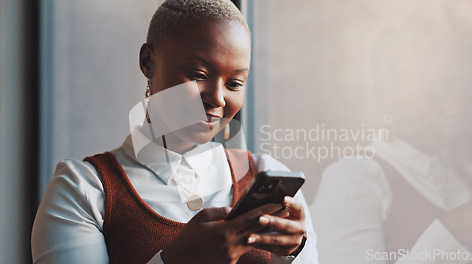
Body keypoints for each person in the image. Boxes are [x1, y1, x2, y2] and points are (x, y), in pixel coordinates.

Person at [31, 1, 318, 263]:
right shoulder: (84, 192)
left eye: (234, 84)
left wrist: (294, 253)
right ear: (148, 62)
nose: (218, 98)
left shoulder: (267, 178)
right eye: (198, 75)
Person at [311, 17, 472, 264]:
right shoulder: (354, 178)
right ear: (387, 92)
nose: (454, 108)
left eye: (458, 88)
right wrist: (450, 235)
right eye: (436, 91)